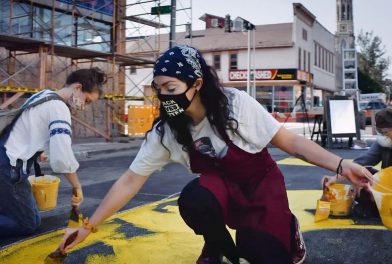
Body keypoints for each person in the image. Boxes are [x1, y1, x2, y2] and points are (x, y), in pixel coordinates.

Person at [58, 45, 370, 264]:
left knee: (259, 250)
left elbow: (291, 142)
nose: (163, 96)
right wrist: (88, 227)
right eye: (158, 89)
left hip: (261, 187)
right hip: (221, 191)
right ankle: (216, 245)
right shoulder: (167, 130)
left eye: (170, 87)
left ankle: (286, 229)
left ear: (196, 83)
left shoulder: (235, 104)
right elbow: (130, 180)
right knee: (195, 198)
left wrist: (342, 165)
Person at [0, 67, 106, 236]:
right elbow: (62, 158)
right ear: (78, 88)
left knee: (15, 209)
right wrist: (76, 186)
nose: (84, 107)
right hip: (10, 168)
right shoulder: (60, 108)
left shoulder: (43, 95)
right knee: (28, 223)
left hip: (4, 156)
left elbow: (26, 126)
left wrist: (38, 150)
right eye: (87, 101)